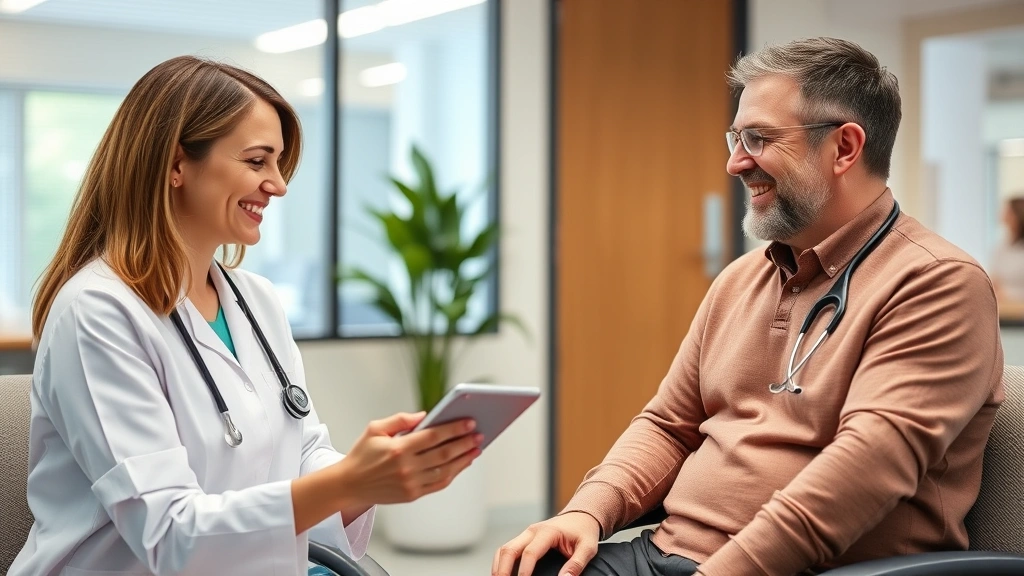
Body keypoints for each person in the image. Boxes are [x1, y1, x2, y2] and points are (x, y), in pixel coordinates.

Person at [493, 37, 1004, 576]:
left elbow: (866, 469)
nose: (735, 163)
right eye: (735, 138)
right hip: (669, 553)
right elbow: (669, 425)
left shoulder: (938, 284)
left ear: (845, 148)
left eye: (758, 138)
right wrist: (587, 513)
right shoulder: (742, 278)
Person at [9, 56, 484, 576]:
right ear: (175, 164)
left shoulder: (255, 301)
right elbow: (169, 535)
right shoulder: (97, 313)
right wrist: (349, 482)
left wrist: (363, 477)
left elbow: (303, 455)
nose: (278, 185)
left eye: (279, 164)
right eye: (258, 162)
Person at [990, 195, 1024, 319]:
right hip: (1004, 310)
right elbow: (995, 279)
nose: (1003, 216)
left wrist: (1008, 294)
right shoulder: (1002, 245)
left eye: (1008, 212)